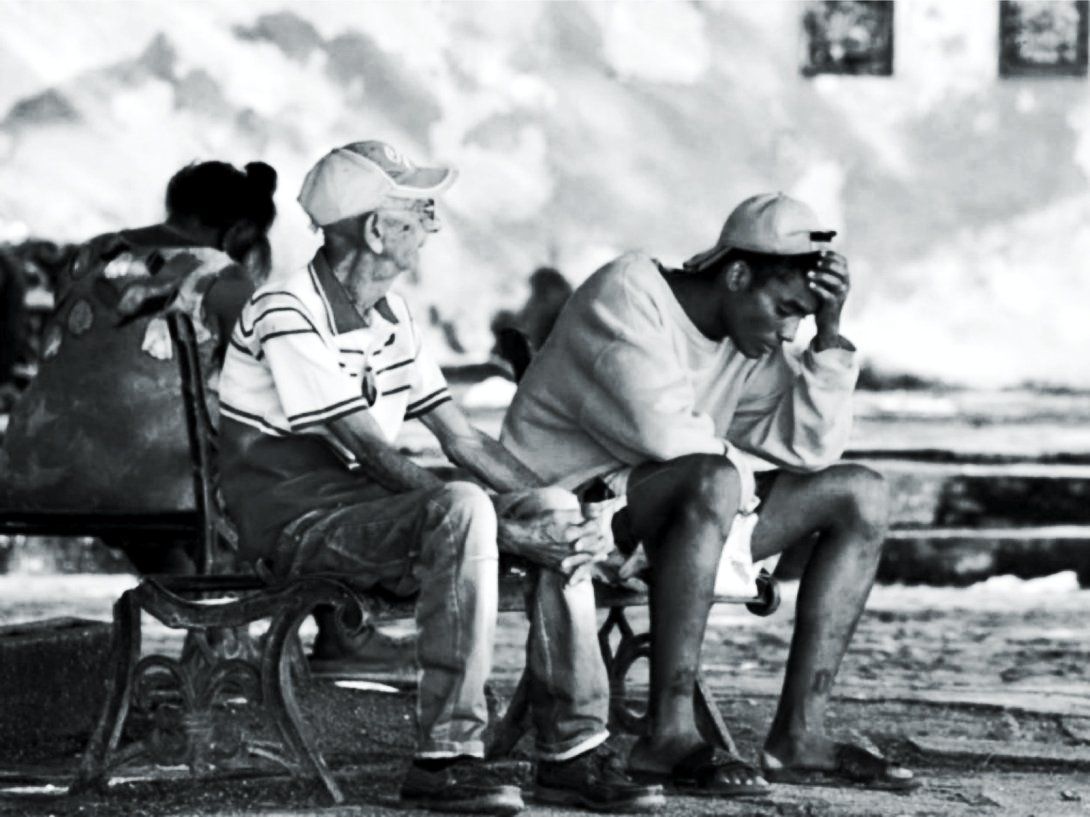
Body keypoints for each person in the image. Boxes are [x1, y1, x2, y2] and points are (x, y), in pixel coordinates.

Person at [216, 140, 665, 815]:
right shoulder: (287, 308)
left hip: (367, 519)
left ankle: (572, 750)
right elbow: (369, 450)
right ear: (375, 228)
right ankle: (447, 756)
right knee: (462, 506)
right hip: (296, 528)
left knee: (546, 507)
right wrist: (508, 529)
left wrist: (557, 513)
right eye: (422, 210)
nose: (434, 226)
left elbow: (461, 437)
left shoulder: (390, 318)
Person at [501, 192, 920, 795]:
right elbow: (666, 436)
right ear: (737, 273)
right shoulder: (628, 293)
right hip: (562, 515)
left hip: (673, 515)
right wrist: (740, 499)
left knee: (861, 493)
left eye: (800, 319)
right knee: (713, 477)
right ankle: (668, 734)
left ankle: (798, 738)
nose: (786, 333)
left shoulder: (747, 341)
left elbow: (809, 449)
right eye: (784, 310)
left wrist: (829, 337)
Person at [0, 160, 277, 573]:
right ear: (239, 232)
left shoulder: (91, 253)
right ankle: (331, 629)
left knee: (133, 453)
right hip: (149, 484)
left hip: (33, 468)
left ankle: (198, 608)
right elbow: (266, 378)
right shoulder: (221, 275)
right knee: (297, 471)